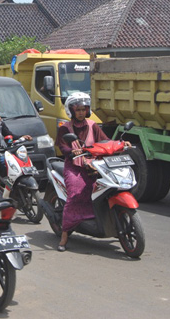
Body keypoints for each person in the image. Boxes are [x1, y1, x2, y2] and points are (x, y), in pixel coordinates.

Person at [55, 92, 129, 251]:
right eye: (78, 109)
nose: (81, 112)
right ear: (72, 110)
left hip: (94, 164)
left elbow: (105, 141)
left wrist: (120, 144)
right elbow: (63, 147)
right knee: (75, 193)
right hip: (74, 166)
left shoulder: (92, 125)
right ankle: (65, 235)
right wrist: (71, 151)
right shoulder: (65, 128)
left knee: (107, 187)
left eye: (84, 109)